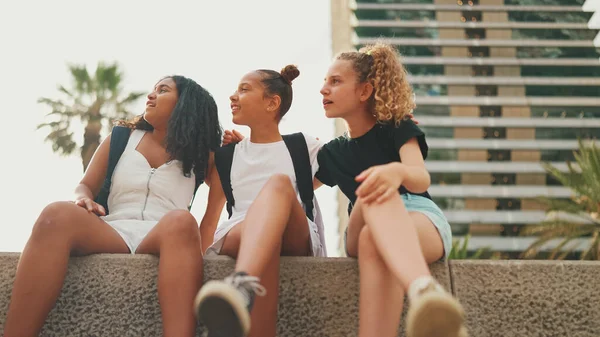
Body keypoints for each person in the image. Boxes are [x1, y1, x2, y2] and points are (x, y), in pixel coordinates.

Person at [3, 75, 224, 337]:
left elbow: (217, 208)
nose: (150, 95)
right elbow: (85, 185)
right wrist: (82, 199)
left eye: (162, 90)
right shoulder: (121, 138)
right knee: (54, 214)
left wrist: (232, 155)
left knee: (182, 220)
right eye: (152, 89)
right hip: (114, 229)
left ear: (186, 104)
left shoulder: (203, 155)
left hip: (164, 234)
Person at [315, 42, 467, 337]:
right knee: (373, 192)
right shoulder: (330, 154)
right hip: (362, 221)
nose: (324, 89)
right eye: (324, 82)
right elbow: (298, 187)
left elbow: (420, 180)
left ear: (364, 91)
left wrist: (396, 171)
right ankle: (424, 289)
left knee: (376, 238)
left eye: (335, 81)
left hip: (418, 215)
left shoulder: (398, 126)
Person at [193, 65, 326, 337]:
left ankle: (241, 284)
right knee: (268, 235)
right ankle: (243, 300)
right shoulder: (227, 157)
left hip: (295, 233)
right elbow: (209, 221)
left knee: (278, 185)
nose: (233, 96)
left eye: (244, 89)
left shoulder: (304, 147)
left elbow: (355, 157)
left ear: (272, 102)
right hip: (238, 232)